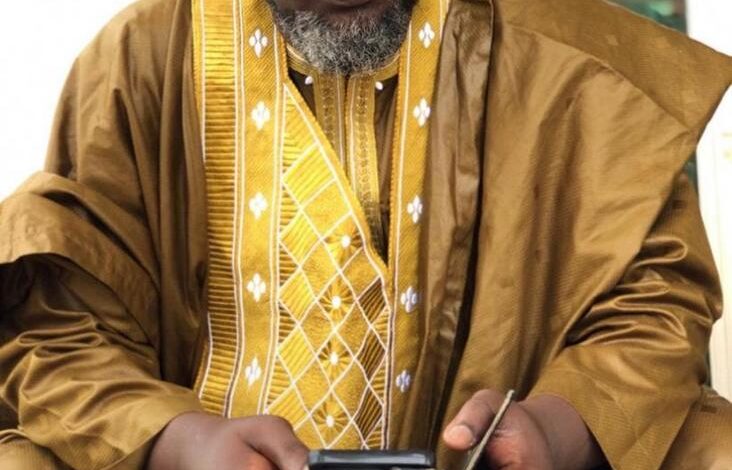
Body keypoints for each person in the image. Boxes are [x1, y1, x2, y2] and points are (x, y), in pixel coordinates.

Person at [0, 0, 730, 468]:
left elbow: (654, 302)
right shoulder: (142, 56)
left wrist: (556, 429)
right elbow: (59, 327)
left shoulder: (564, 59)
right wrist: (174, 440)